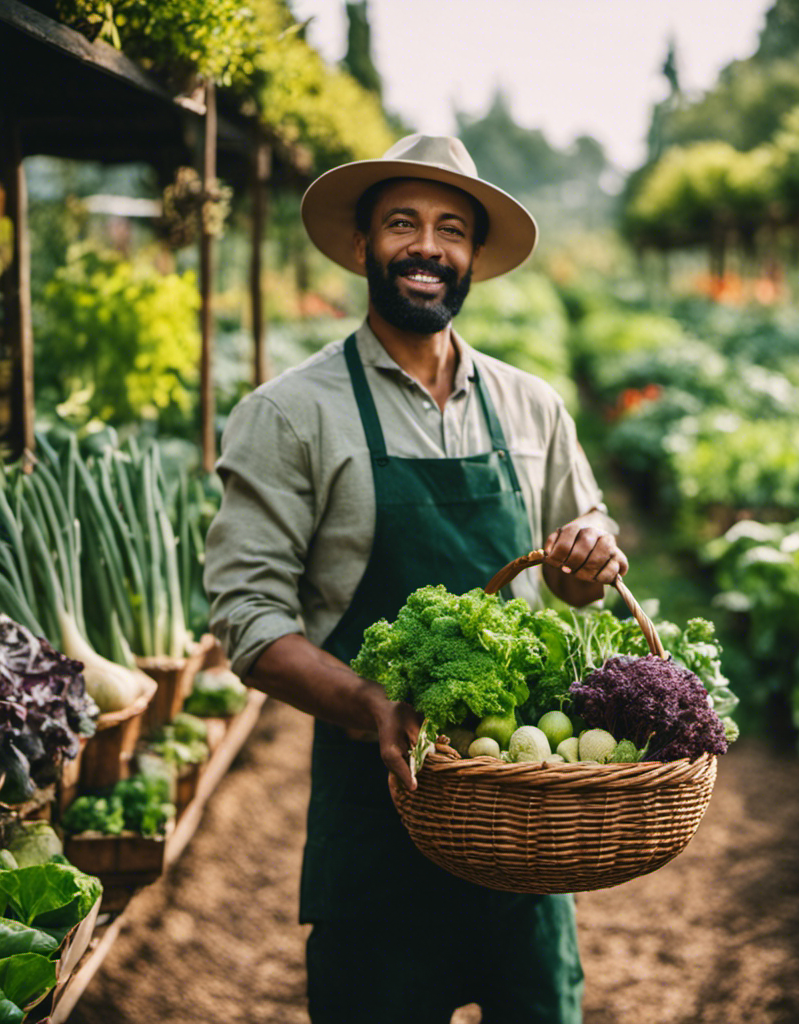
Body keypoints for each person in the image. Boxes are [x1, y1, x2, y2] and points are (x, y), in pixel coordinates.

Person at [203, 133, 629, 1024]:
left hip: (522, 809)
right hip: (375, 822)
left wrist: (590, 552)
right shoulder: (290, 414)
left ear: (473, 258)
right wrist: (370, 706)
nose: (427, 246)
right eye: (403, 222)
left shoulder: (531, 404)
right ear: (363, 245)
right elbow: (246, 616)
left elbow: (578, 564)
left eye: (451, 229)